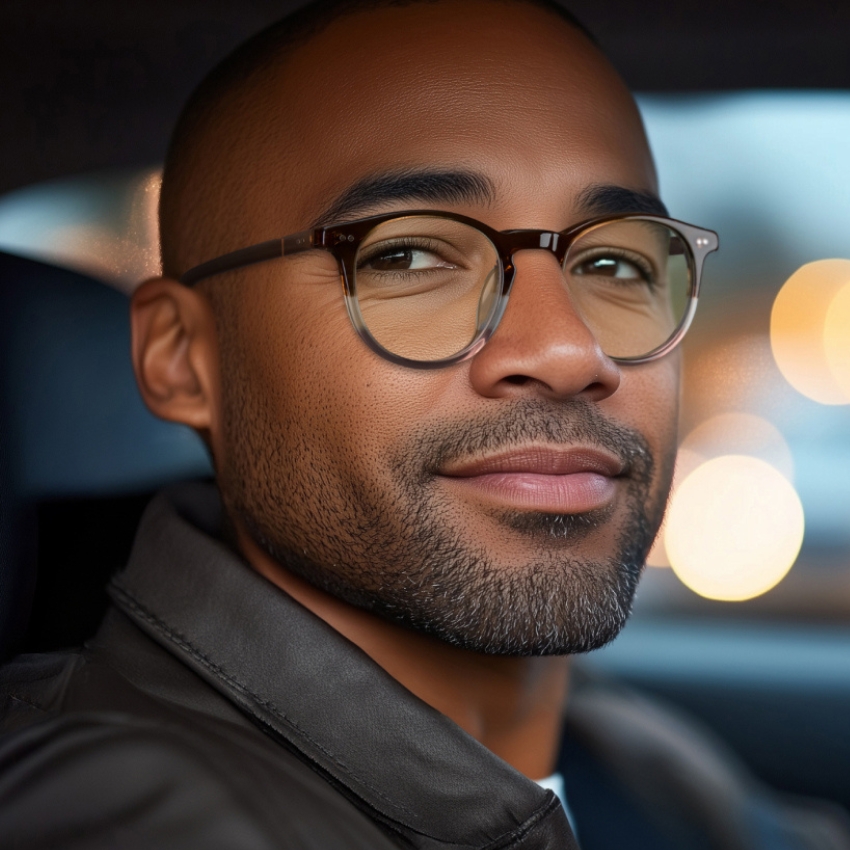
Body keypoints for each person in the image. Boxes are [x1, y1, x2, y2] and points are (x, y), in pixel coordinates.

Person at [0, 1, 848, 847]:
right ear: (183, 358)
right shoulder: (116, 813)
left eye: (613, 263)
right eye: (407, 256)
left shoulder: (628, 755)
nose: (568, 349)